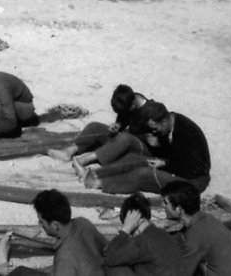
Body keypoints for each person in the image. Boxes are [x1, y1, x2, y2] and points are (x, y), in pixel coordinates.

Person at [82, 101, 211, 195]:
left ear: (164, 122)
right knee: (134, 158)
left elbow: (196, 169)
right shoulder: (170, 123)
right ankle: (97, 174)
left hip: (194, 180)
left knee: (143, 174)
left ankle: (101, 184)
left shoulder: (186, 134)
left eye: (155, 129)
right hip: (177, 165)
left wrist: (165, 164)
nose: (154, 132)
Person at [160, 181, 231, 276]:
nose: (163, 206)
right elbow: (180, 237)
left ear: (179, 209)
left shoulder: (195, 236)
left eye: (165, 203)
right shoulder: (205, 218)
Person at [8, 189, 106, 276]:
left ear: (55, 225)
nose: (40, 224)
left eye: (42, 222)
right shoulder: (83, 223)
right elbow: (107, 248)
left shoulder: (65, 256)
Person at [49, 84, 148, 165]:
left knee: (124, 140)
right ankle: (69, 152)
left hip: (139, 147)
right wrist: (118, 125)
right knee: (94, 127)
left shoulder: (152, 113)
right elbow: (123, 118)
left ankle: (85, 160)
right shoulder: (128, 99)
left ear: (132, 106)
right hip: (126, 139)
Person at [101, 193, 182, 276]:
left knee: (114, 266)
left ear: (135, 221)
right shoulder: (163, 235)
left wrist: (125, 229)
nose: (131, 236)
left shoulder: (144, 241)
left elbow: (110, 258)